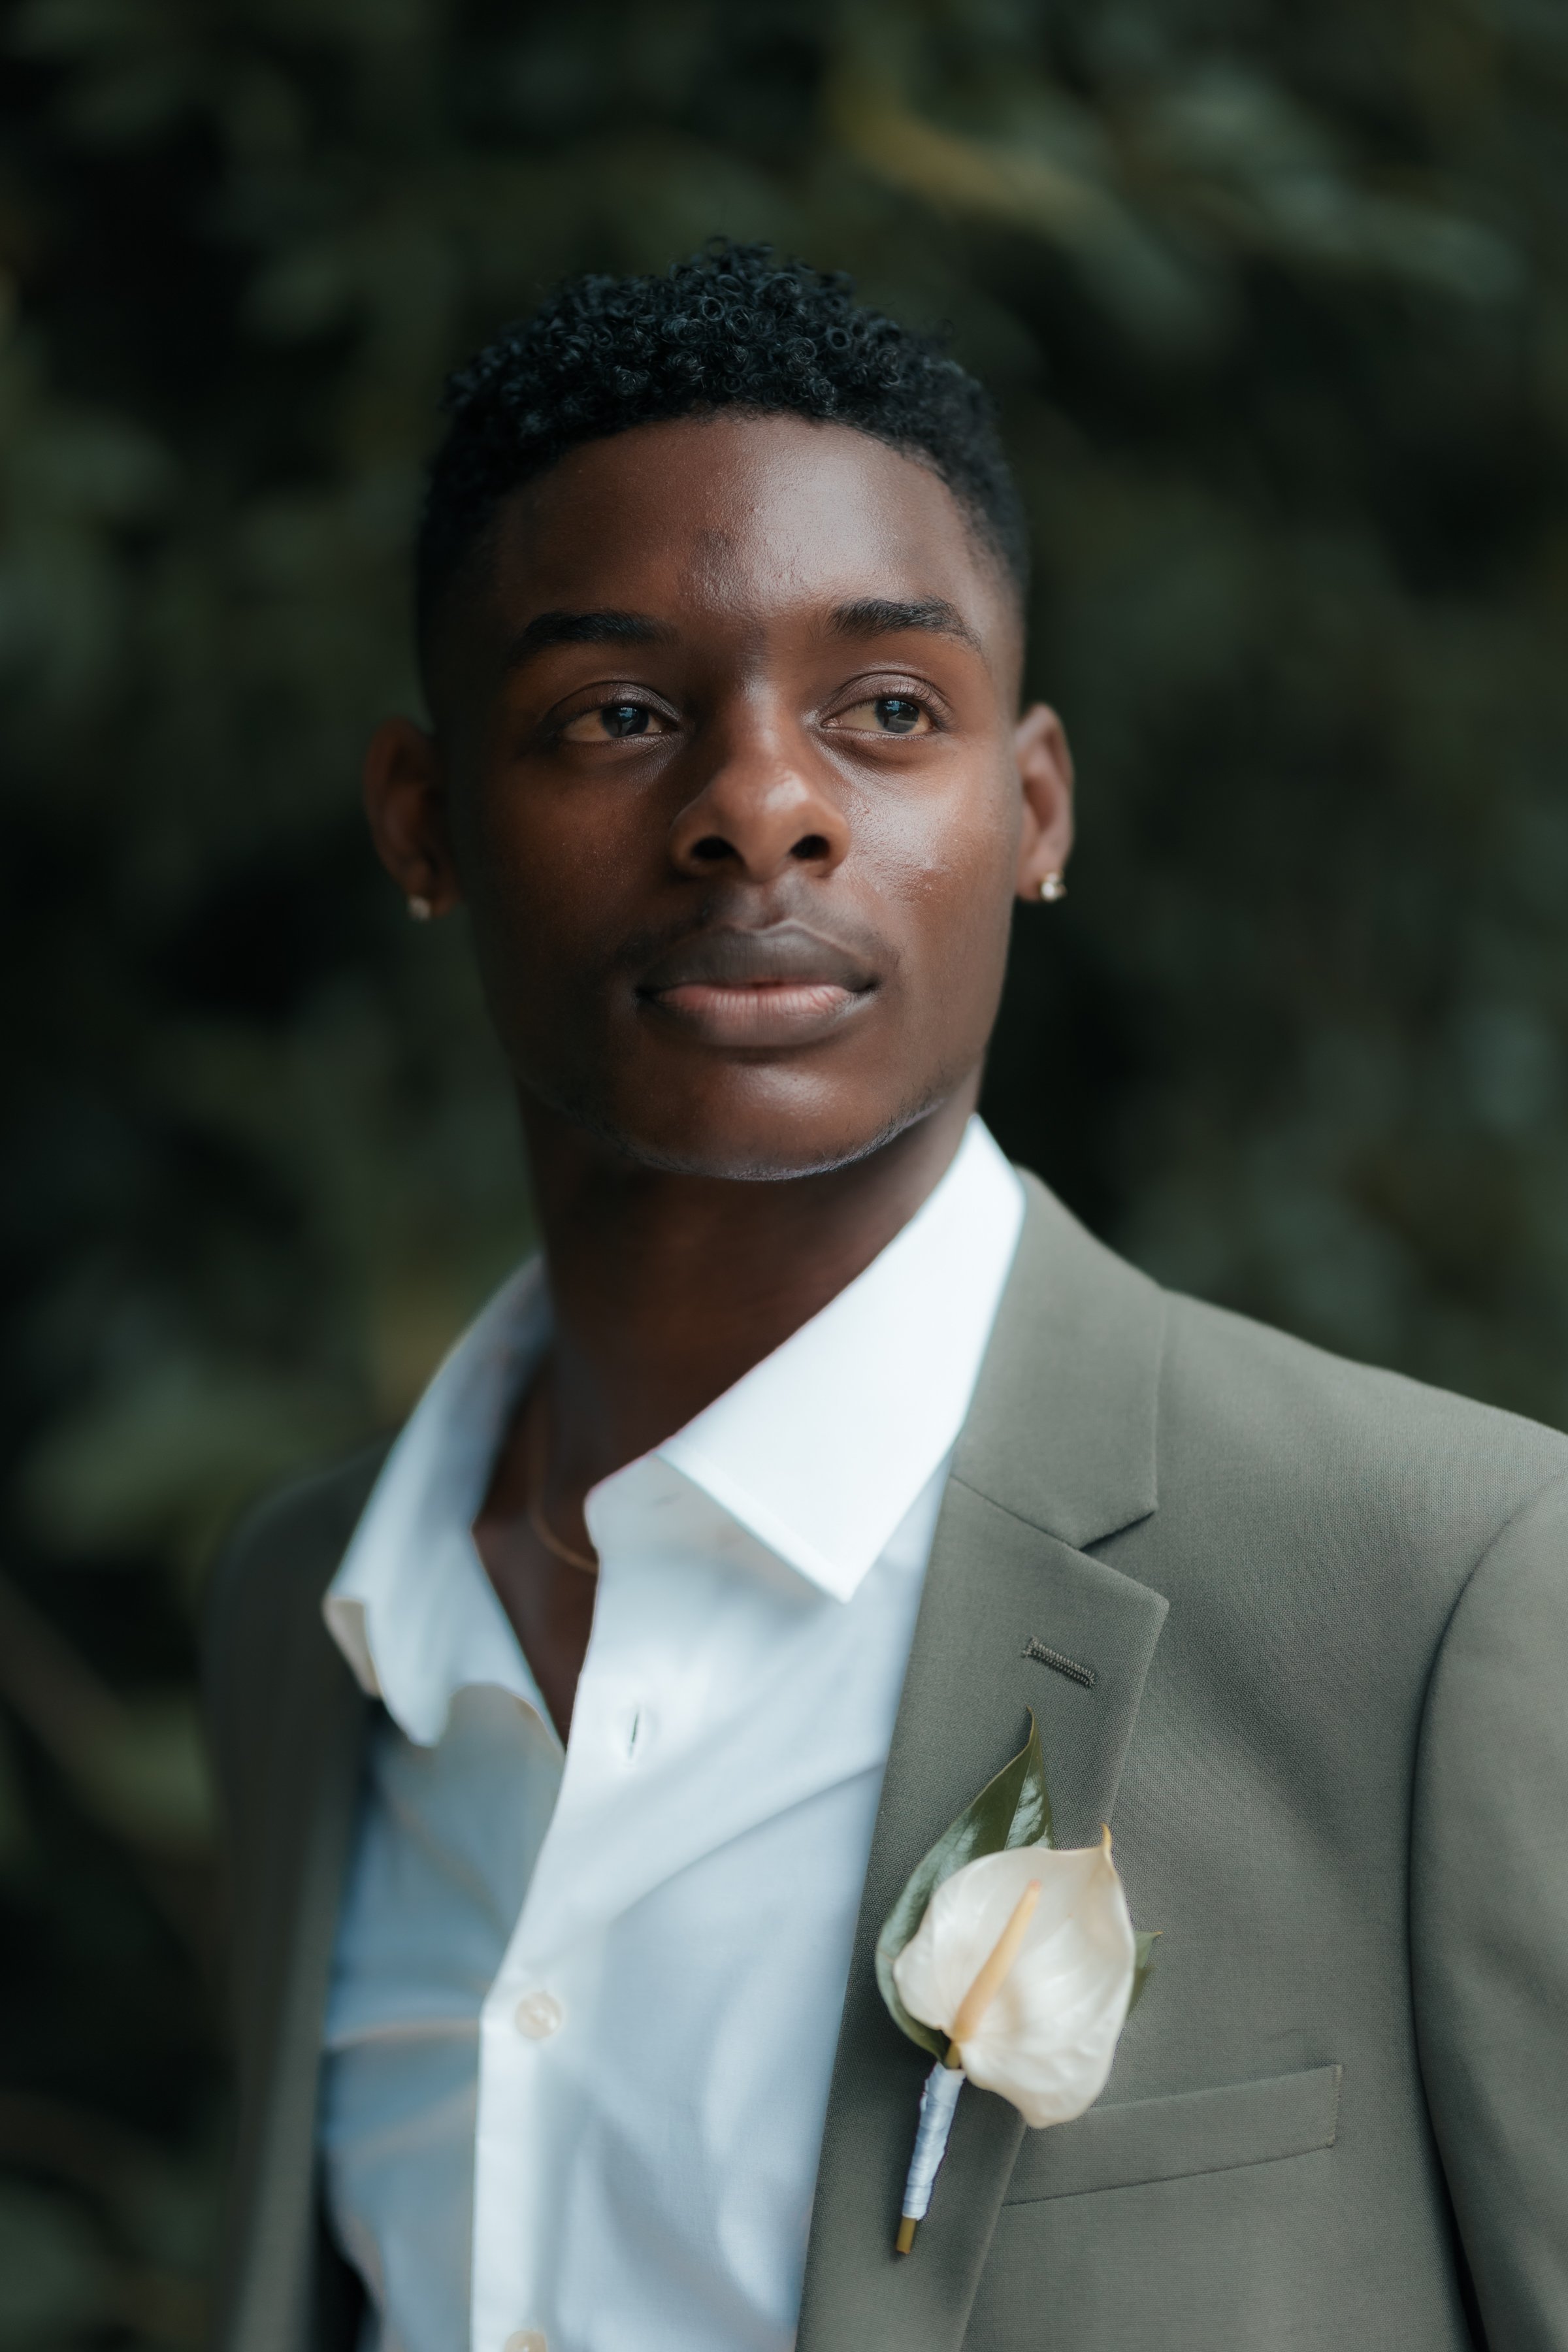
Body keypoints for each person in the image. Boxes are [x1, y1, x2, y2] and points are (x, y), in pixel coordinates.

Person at [203, 242, 1568, 2352]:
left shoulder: (1442, 1593)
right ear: (425, 820)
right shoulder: (315, 1631)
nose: (762, 804)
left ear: (1030, 812)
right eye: (621, 713)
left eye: (888, 711)